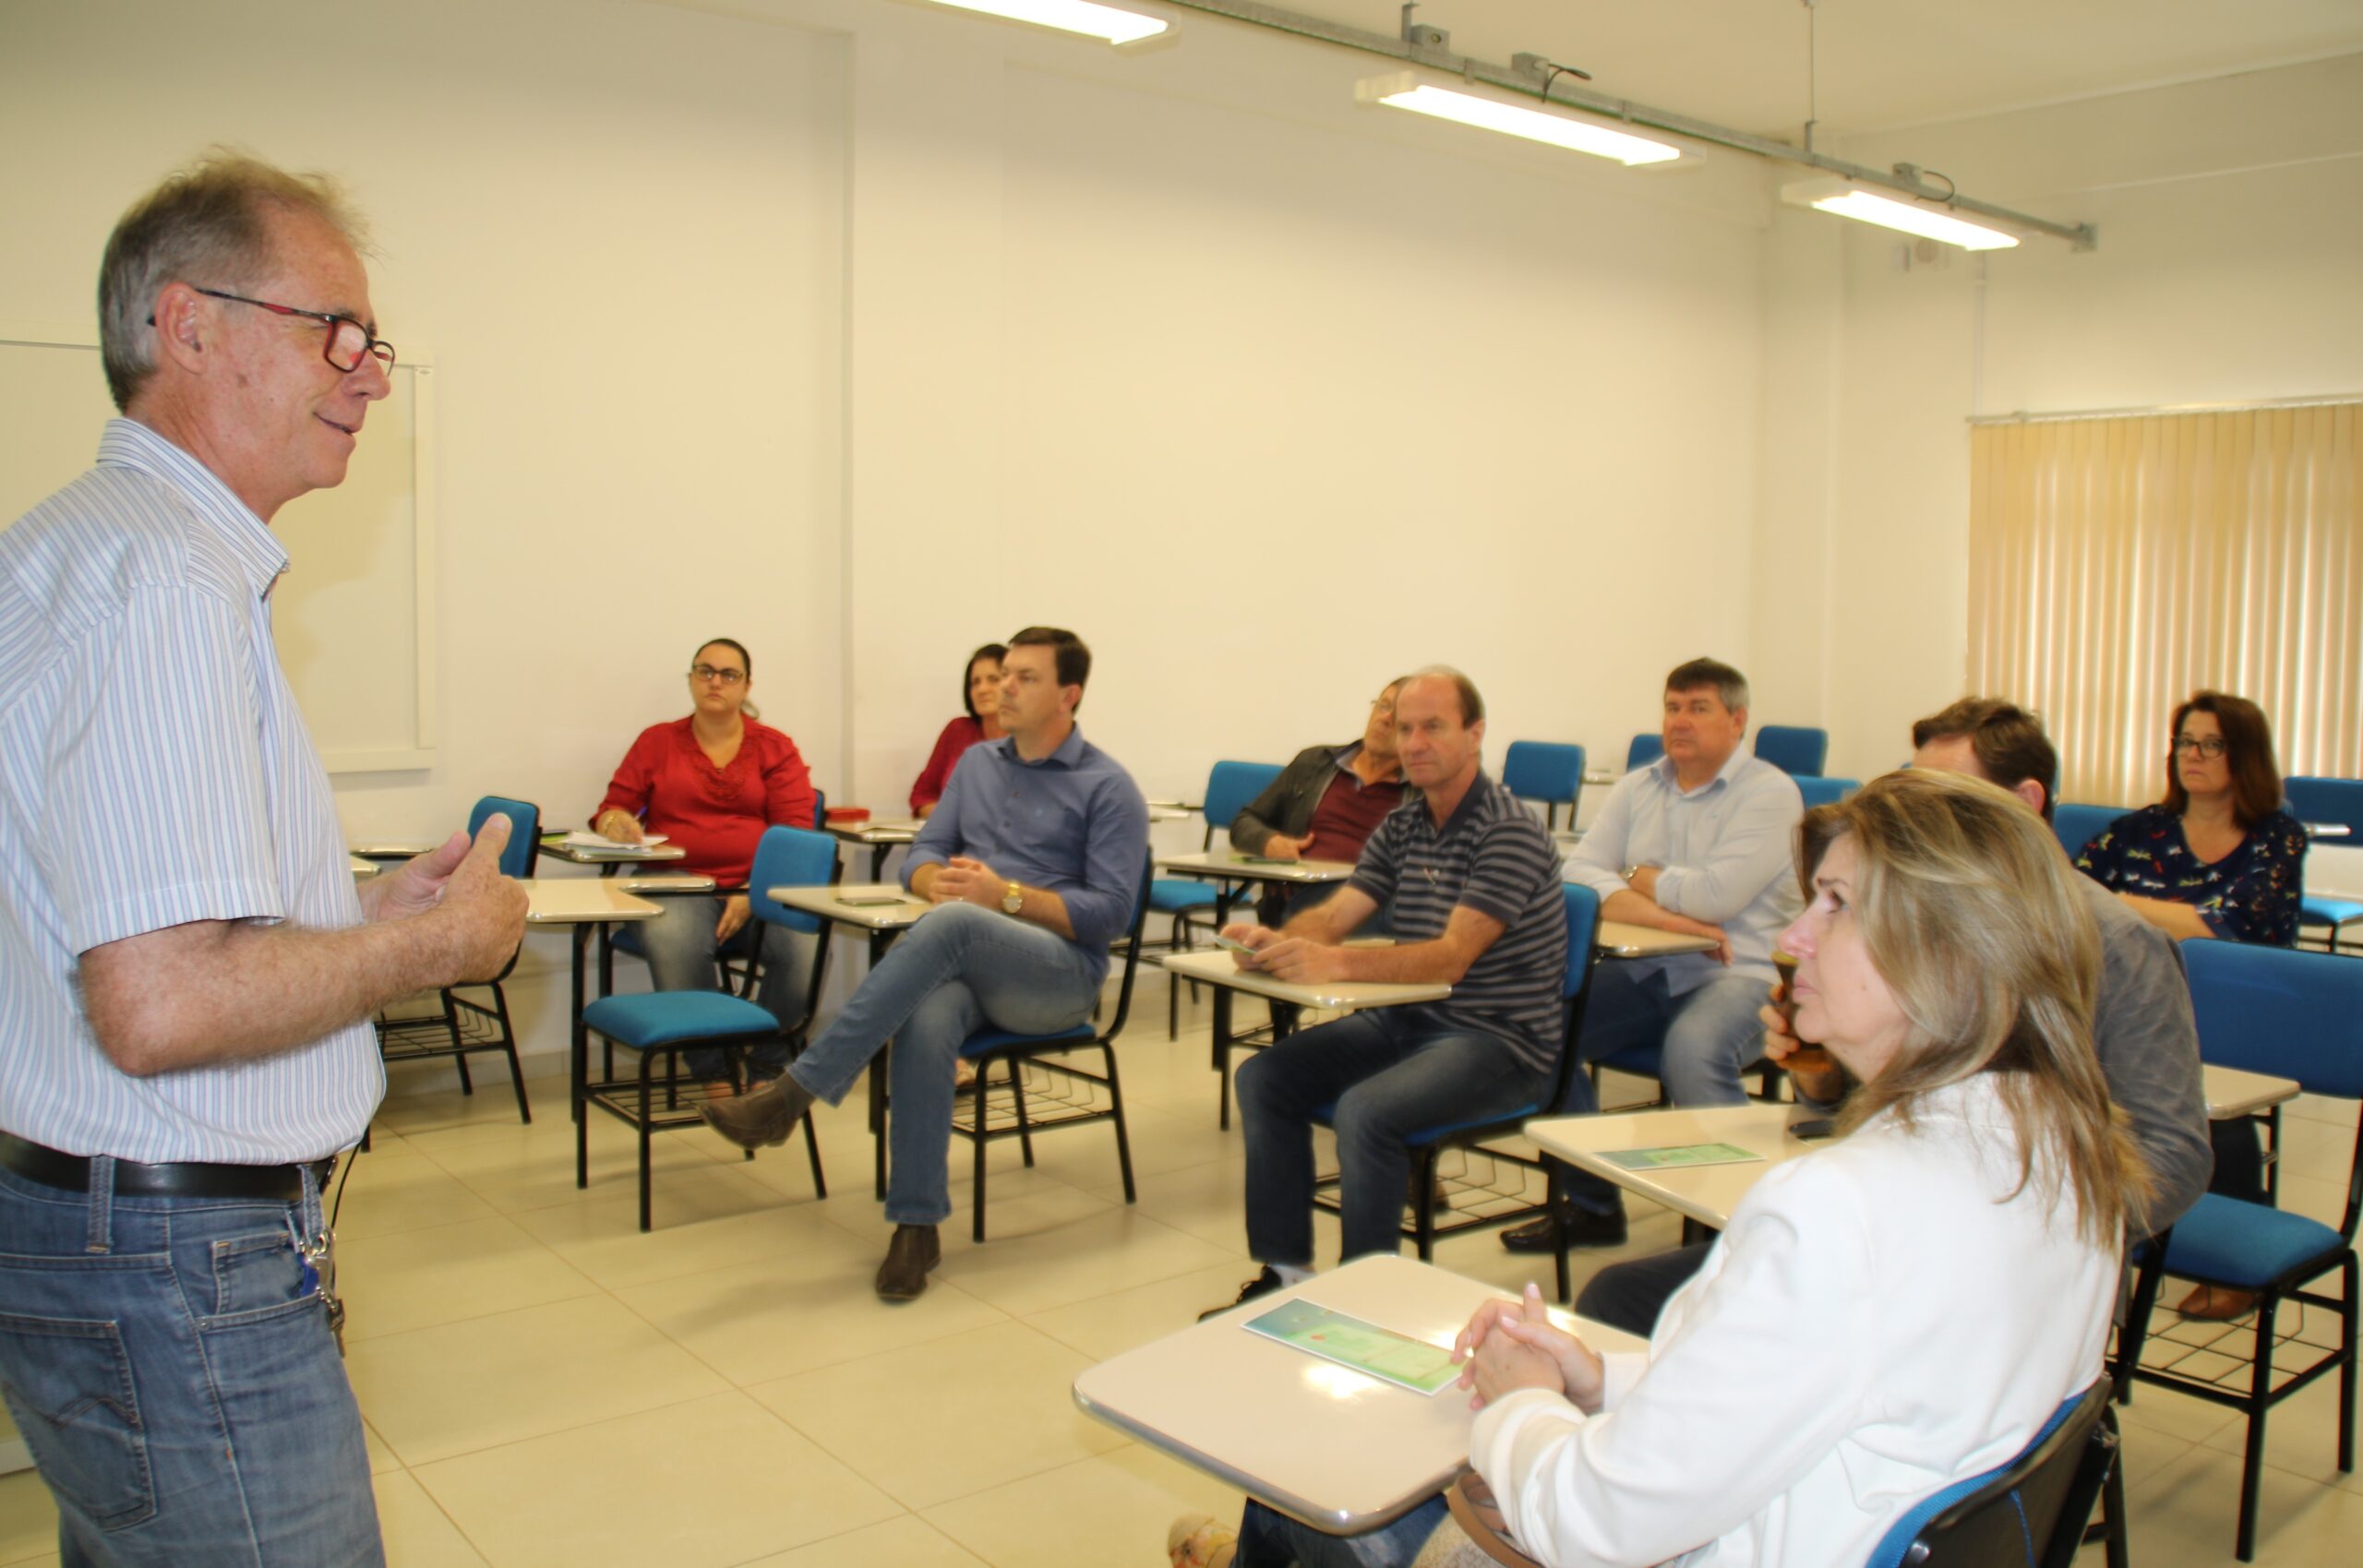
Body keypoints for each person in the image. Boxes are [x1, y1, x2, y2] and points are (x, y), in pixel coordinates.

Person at [1182, 770, 2150, 1568]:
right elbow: (1796, 1390)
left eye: (1835, 904)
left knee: (1315, 1483)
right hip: (1813, 1516)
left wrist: (1521, 1395)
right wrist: (1595, 1377)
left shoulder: (1839, 1210)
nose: (1797, 936)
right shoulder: (2063, 1150)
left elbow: (1592, 1524)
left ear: (1955, 956)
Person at [0, 154, 527, 1567]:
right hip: (178, 1266)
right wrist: (437, 945)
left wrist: (350, 911)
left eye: (377, 344)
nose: (369, 375)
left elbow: (109, 924)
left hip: (100, 1232)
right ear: (188, 325)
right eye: (333, 333)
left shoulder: (73, 549)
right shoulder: (168, 583)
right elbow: (164, 1001)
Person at [1576, 696, 2212, 1339]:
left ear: (2025, 801)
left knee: (1653, 1318)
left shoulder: (2117, 944)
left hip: (1998, 1264)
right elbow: (1873, 1103)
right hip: (1886, 1225)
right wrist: (1820, 1071)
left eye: (1947, 804)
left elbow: (2174, 1153)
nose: (1918, 827)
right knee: (1624, 1297)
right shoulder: (1913, 917)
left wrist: (2001, 1227)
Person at [702, 627, 1147, 1300]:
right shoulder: (976, 766)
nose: (1003, 687)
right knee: (927, 1013)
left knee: (961, 923)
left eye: (1026, 677)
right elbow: (921, 854)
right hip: (970, 958)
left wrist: (1008, 896)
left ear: (1069, 695)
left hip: (1059, 976)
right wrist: (929, 880)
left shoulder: (1109, 786)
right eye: (1003, 675)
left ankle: (793, 1094)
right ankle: (916, 1225)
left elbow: (1113, 913)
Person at [1205, 668, 1567, 1316]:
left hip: (1499, 1041)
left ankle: (1362, 1302)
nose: (1414, 741)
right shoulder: (1403, 825)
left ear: (1476, 733)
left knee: (1366, 1111)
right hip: (1409, 1022)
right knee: (1265, 1077)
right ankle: (1285, 1271)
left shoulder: (1508, 828)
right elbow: (1338, 915)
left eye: (1433, 726)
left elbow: (1452, 958)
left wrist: (1333, 965)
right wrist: (1280, 943)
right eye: (1404, 727)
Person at [1502, 658, 1802, 1254]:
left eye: (1698, 708)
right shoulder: (1640, 786)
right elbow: (1580, 872)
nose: (1680, 721)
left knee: (1692, 1049)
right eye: (1672, 707)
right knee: (1538, 1024)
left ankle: (1742, 1235)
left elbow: (1720, 895)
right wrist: (1672, 916)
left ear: (1737, 719)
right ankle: (1591, 1204)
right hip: (1648, 965)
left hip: (1739, 972)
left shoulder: (1771, 793)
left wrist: (1635, 875)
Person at [2076, 688, 2307, 1313]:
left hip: (2237, 1008)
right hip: (2139, 998)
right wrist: (2154, 919)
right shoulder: (2137, 829)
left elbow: (2231, 924)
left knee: (2201, 1096)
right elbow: (2069, 895)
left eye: (2211, 744)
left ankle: (2227, 1244)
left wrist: (2123, 909)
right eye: (2185, 741)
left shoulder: (2276, 836)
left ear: (2245, 755)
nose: (2193, 755)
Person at [593, 638, 820, 1092]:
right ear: (692, 680)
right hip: (673, 884)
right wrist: (616, 823)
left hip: (760, 890)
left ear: (747, 685)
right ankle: (711, 1068)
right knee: (677, 937)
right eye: (705, 671)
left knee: (807, 947)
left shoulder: (775, 748)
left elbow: (797, 834)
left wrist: (752, 893)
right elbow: (613, 808)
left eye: (729, 674)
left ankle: (767, 1066)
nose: (715, 682)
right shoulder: (658, 741)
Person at [1227, 676, 1409, 926]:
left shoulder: (1422, 790)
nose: (1385, 718)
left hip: (1373, 908)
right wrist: (1270, 842)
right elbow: (1244, 823)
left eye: (1399, 715)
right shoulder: (1314, 763)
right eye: (1383, 705)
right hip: (1296, 900)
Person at [909, 641, 1006, 818]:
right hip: (952, 840)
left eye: (993, 679)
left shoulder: (1030, 738)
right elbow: (922, 795)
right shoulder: (957, 730)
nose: (982, 689)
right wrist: (951, 820)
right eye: (975, 682)